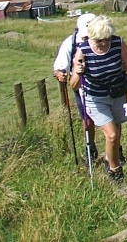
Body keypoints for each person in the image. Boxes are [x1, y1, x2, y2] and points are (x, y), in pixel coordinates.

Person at [70, 16, 127, 183]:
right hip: (95, 98)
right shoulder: (83, 51)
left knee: (117, 127)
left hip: (117, 93)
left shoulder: (118, 44)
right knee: (112, 135)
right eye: (100, 40)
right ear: (91, 37)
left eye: (107, 39)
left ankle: (112, 158)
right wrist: (78, 72)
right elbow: (73, 86)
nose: (104, 43)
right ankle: (115, 171)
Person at [53, 12, 98, 164]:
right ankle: (90, 148)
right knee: (87, 119)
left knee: (112, 119)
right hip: (82, 88)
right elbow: (59, 67)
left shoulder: (104, 37)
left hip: (105, 83)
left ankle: (116, 149)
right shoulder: (70, 43)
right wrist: (60, 73)